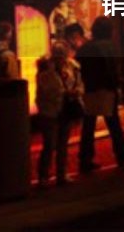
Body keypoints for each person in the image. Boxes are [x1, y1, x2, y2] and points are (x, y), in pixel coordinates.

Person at [77, 17, 124, 173]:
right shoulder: (109, 47)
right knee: (114, 123)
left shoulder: (85, 48)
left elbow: (79, 67)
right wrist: (116, 85)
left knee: (88, 125)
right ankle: (121, 153)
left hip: (89, 89)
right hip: (106, 88)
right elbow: (112, 69)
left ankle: (85, 158)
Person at [36, 42, 84, 186]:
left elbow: (79, 84)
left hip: (66, 109)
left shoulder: (72, 67)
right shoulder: (45, 70)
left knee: (63, 144)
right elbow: (47, 91)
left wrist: (77, 92)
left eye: (62, 56)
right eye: (58, 57)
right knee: (49, 144)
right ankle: (43, 176)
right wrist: (65, 93)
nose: (61, 60)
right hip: (50, 110)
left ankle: (61, 174)